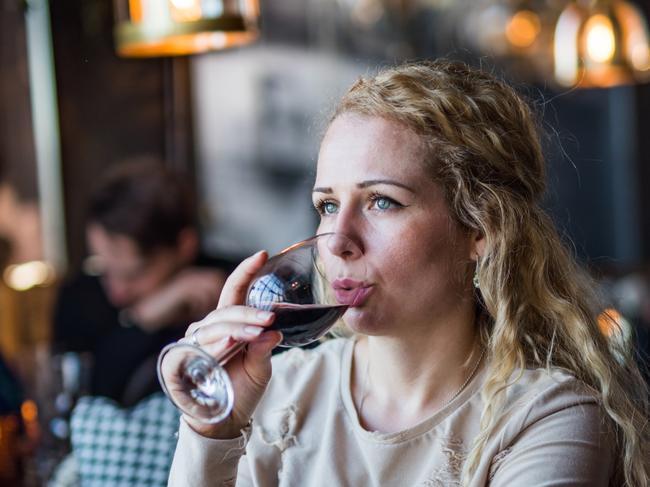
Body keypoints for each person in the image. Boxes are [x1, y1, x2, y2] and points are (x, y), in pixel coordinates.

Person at [164, 60, 650, 486]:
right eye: (328, 205)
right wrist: (214, 430)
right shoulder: (276, 387)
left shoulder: (549, 418)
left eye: (382, 202)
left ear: (481, 228)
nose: (337, 240)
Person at [53, 160, 236, 406]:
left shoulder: (234, 287)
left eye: (133, 275)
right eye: (103, 269)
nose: (116, 292)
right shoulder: (80, 298)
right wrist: (141, 320)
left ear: (184, 245)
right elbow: (84, 400)